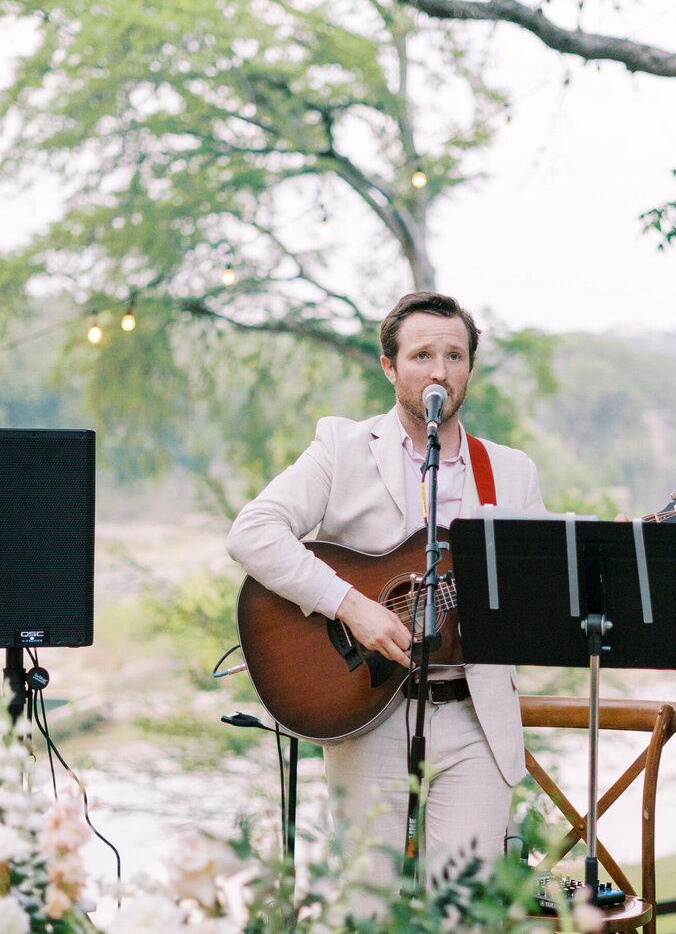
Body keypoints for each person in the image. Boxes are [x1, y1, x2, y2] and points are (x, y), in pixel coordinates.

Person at [226, 292, 545, 879]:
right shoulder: (342, 448)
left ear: (470, 367)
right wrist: (353, 608)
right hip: (364, 707)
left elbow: (528, 601)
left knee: (465, 925)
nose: (440, 371)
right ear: (390, 368)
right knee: (366, 918)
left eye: (455, 355)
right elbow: (253, 532)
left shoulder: (511, 471)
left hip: (477, 717)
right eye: (422, 355)